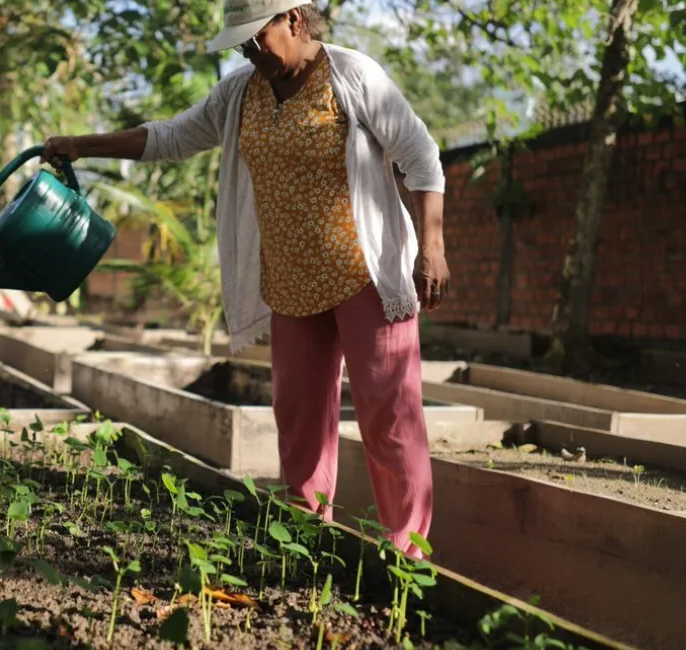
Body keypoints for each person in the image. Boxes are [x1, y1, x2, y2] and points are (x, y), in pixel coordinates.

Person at [40, 0, 449, 558]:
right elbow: (168, 138)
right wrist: (82, 145)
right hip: (290, 281)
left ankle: (410, 556)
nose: (248, 52)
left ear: (295, 21)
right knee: (299, 424)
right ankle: (305, 545)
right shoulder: (238, 95)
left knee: (389, 418)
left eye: (256, 39)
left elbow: (421, 157)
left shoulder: (353, 76)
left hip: (365, 278)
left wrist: (432, 247)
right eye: (241, 45)